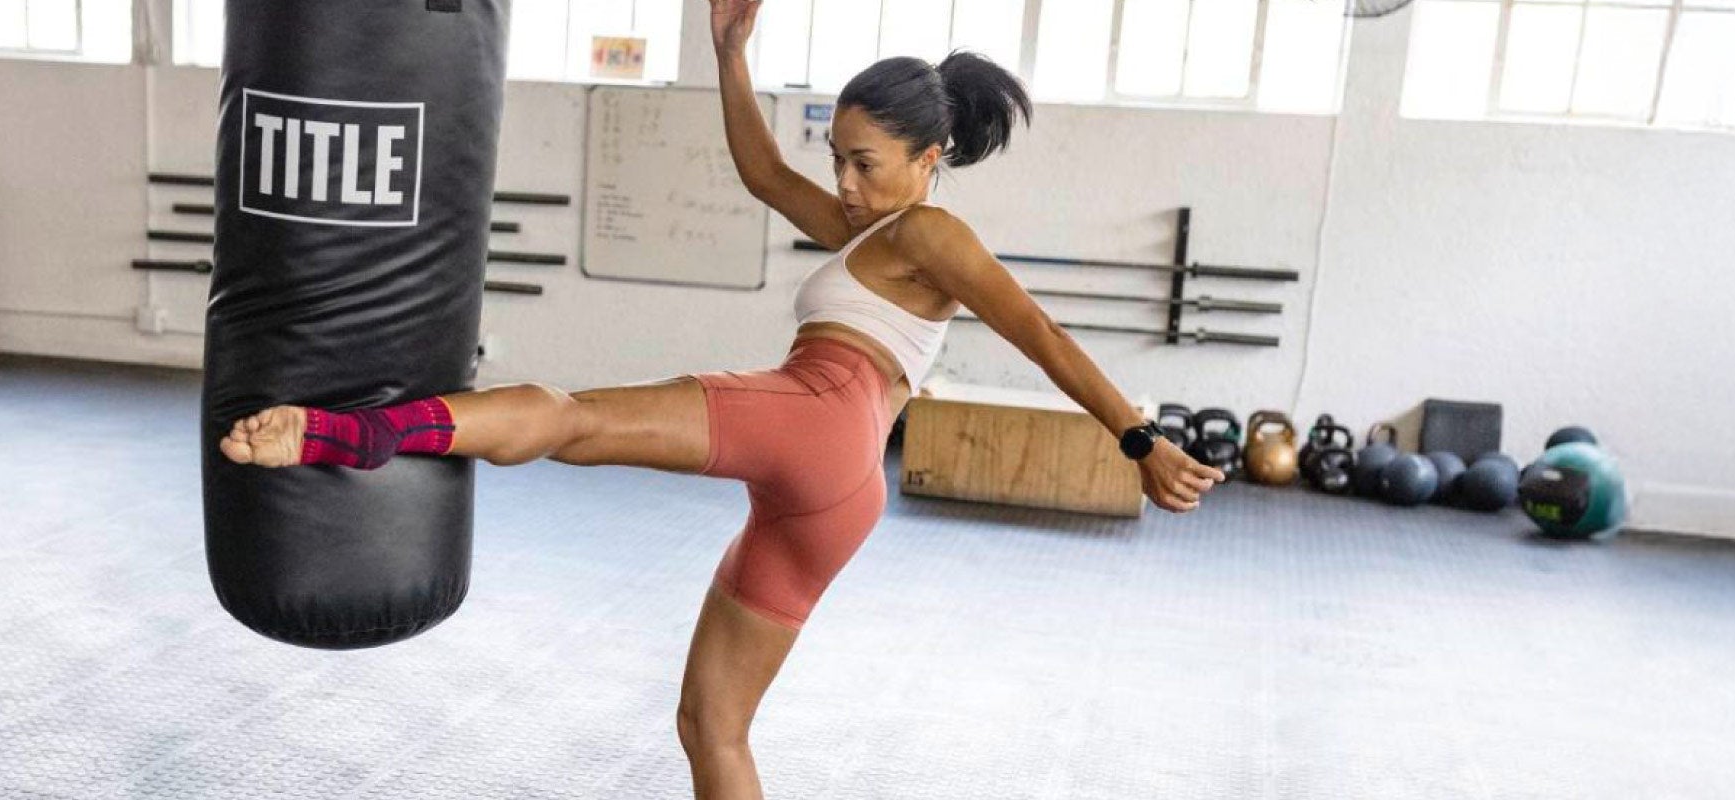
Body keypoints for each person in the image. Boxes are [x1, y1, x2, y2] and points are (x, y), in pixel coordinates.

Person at [220, 1, 1223, 795]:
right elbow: (758, 170)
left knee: (573, 417)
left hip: (816, 416)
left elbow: (1037, 331)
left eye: (866, 164)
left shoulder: (932, 235)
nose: (846, 181)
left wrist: (1137, 437)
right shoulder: (869, 223)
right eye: (839, 155)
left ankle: (357, 432)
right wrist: (729, 52)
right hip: (837, 491)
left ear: (930, 159)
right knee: (711, 722)